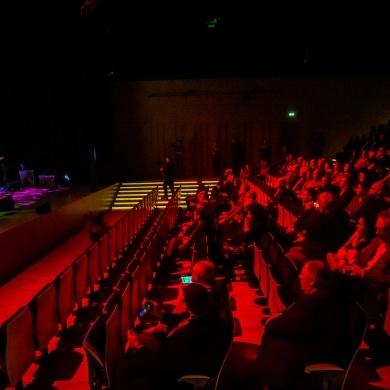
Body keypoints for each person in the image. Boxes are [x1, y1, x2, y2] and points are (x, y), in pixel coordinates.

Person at [247, 260, 349, 390]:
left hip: (314, 353)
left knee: (271, 342)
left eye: (302, 274)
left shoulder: (316, 303)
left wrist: (271, 322)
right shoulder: (321, 295)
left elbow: (285, 326)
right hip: (310, 342)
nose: (299, 277)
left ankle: (264, 381)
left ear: (312, 280)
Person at [116, 283, 231, 390]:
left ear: (186, 305)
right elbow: (184, 320)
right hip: (173, 355)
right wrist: (160, 314)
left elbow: (166, 364)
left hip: (173, 377)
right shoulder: (209, 316)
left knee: (125, 368)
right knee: (140, 339)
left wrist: (138, 346)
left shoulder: (189, 336)